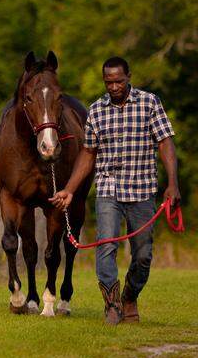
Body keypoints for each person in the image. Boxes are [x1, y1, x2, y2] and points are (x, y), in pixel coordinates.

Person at [49, 56, 179, 325]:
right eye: (109, 82)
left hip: (142, 189)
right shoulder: (97, 110)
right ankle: (111, 304)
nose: (114, 86)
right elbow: (88, 154)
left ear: (129, 76)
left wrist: (173, 184)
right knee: (106, 246)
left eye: (119, 81)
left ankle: (130, 297)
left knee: (143, 255)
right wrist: (70, 190)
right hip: (108, 189)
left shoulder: (149, 103)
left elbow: (165, 143)